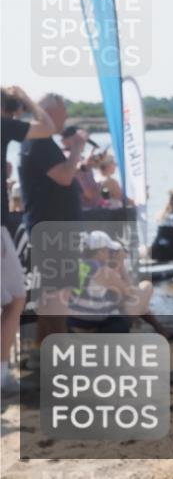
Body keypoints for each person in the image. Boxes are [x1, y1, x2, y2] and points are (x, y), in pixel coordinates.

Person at [18, 94, 85, 344]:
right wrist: (77, 148)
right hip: (54, 231)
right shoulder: (41, 143)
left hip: (48, 227)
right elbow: (65, 177)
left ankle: (42, 353)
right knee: (56, 299)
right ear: (48, 112)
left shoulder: (34, 141)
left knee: (50, 298)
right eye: (63, 112)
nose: (66, 117)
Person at [1, 86, 55, 394]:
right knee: (17, 297)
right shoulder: (3, 123)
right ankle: (2, 376)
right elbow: (47, 127)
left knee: (11, 299)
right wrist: (27, 99)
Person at [66, 230, 153, 333]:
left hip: (73, 322)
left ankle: (159, 327)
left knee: (119, 300)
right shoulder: (102, 270)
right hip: (94, 326)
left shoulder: (81, 264)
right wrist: (121, 264)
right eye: (109, 251)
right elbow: (130, 293)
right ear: (100, 251)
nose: (110, 254)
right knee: (146, 287)